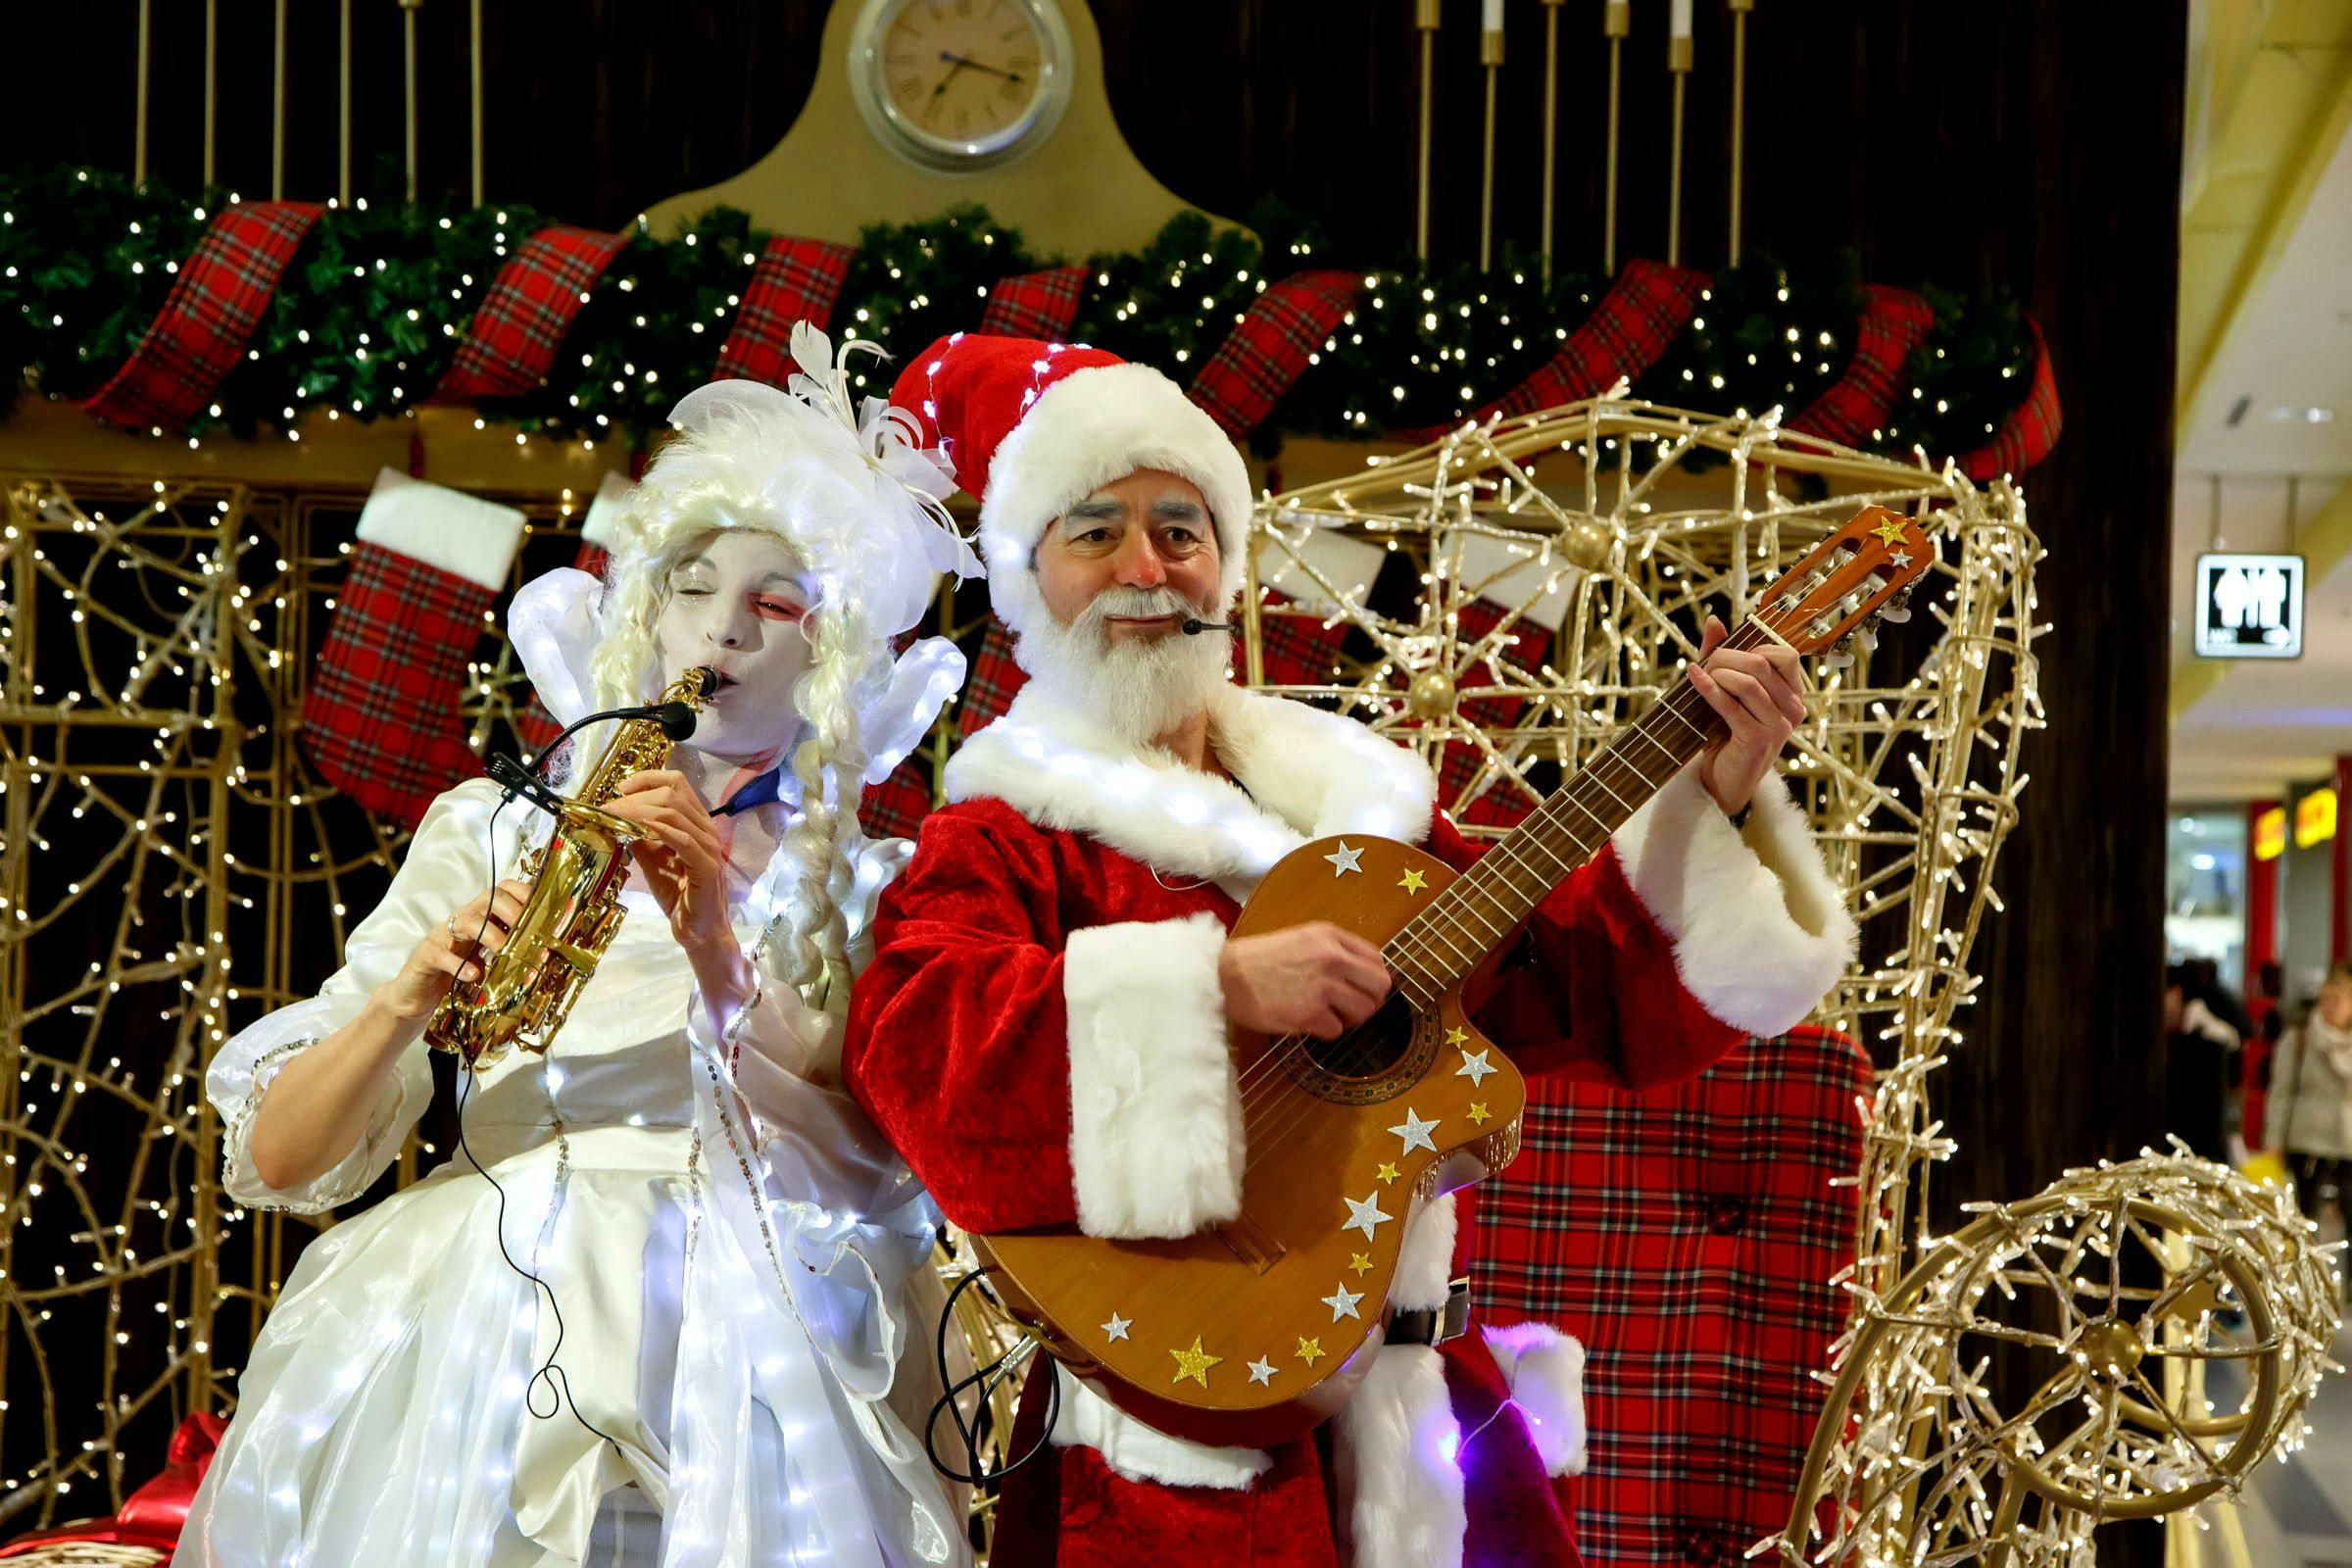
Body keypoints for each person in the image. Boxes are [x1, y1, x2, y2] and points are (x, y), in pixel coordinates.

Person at [843, 333, 1858, 1568]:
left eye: (1180, 526)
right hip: (1176, 1444)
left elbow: (1571, 981)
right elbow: (913, 1046)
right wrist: (1215, 990)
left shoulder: (1357, 810)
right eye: (1093, 529)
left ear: (1224, 568)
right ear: (1026, 576)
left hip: (1427, 1417)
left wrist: (1718, 784)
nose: (1144, 565)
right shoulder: (1004, 830)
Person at [184, 329, 980, 1567]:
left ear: (829, 658)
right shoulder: (491, 828)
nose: (719, 632)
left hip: (754, 1359)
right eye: (690, 586)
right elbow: (285, 1157)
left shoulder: (868, 877)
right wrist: (407, 1000)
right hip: (469, 1340)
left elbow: (877, 1149)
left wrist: (712, 927)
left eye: (774, 602)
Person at [2267, 961, 2352, 1236]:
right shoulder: (2301, 1037)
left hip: (2347, 1140)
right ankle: (2306, 1276)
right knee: (2303, 1222)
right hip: (2306, 1141)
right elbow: (2281, 1091)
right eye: (2326, 998)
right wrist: (2274, 1140)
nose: (2331, 1005)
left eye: (2338, 999)